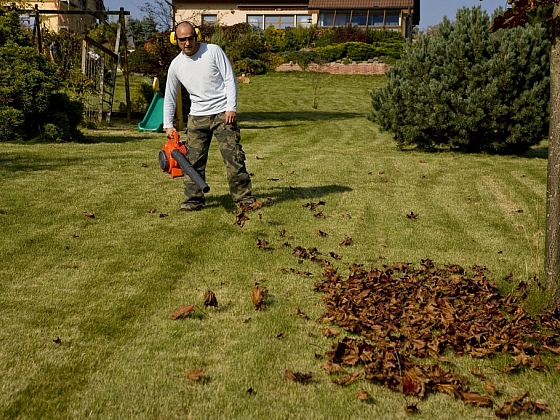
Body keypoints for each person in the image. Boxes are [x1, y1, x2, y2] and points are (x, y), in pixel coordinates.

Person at [163, 21, 255, 212]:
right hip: (197, 118)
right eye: (182, 40)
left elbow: (230, 79)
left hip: (223, 114)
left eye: (190, 38)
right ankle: (193, 201)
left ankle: (243, 199)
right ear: (176, 40)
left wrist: (231, 107)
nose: (187, 43)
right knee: (192, 162)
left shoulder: (213, 51)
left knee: (233, 158)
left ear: (196, 36)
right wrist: (168, 123)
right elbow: (170, 95)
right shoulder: (176, 65)